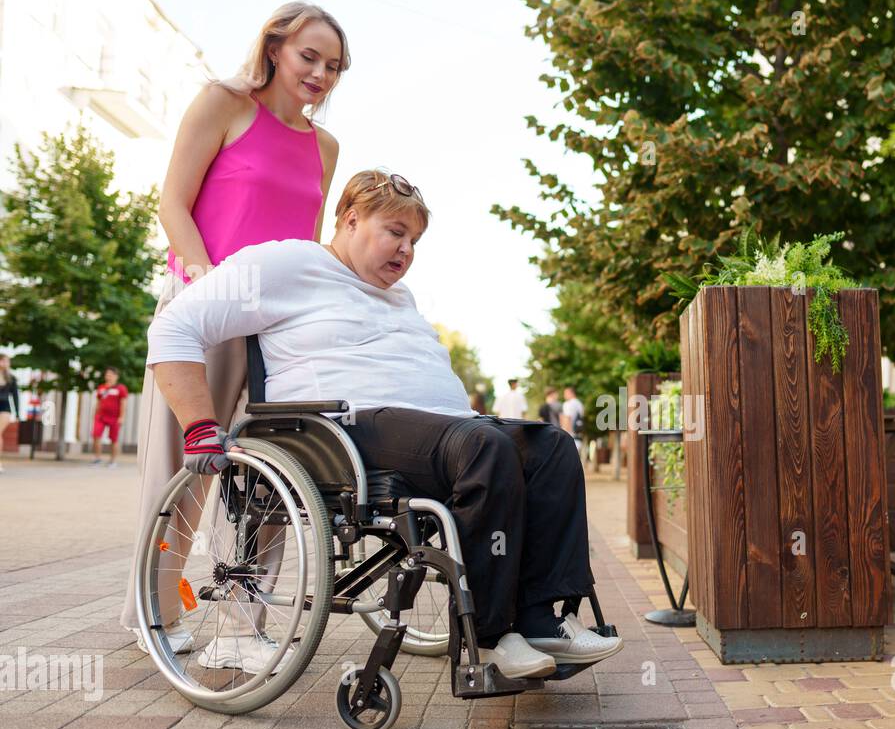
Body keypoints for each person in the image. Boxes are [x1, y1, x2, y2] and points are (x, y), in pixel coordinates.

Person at [144, 170, 623, 679]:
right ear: (350, 219)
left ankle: (539, 621)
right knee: (485, 447)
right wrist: (198, 425)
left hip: (441, 430)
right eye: (395, 231)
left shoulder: (400, 297)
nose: (407, 249)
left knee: (550, 446)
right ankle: (492, 635)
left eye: (413, 240)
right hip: (345, 431)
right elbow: (176, 325)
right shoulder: (286, 262)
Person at [119, 1, 349, 652]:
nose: (320, 74)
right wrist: (205, 281)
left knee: (278, 467)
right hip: (207, 307)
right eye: (310, 57)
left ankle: (248, 609)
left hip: (277, 324)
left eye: (333, 66)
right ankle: (156, 611)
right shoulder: (222, 102)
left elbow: (306, 238)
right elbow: (173, 201)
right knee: (187, 463)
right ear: (275, 47)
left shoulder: (324, 146)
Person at [90, 368, 129, 467]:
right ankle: (97, 458)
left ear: (116, 376)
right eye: (107, 375)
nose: (108, 377)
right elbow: (98, 402)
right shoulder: (101, 388)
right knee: (96, 435)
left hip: (115, 418)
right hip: (101, 417)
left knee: (113, 439)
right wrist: (95, 414)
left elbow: (123, 403)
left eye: (111, 375)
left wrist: (122, 417)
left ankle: (113, 461)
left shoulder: (121, 388)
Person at [0, 354, 19, 474]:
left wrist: (17, 413)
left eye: (7, 361)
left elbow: (16, 397)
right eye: (5, 361)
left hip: (5, 408)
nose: (7, 363)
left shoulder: (11, 378)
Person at [560, 385, 585, 452]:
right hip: (578, 436)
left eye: (565, 393)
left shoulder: (568, 404)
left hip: (569, 436)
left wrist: (564, 434)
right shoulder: (579, 404)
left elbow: (567, 418)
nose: (564, 395)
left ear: (570, 393)